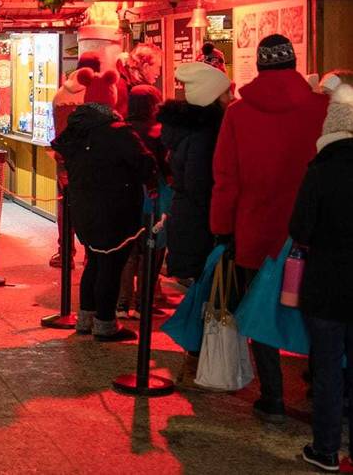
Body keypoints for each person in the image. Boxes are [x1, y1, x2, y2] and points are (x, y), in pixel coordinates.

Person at [210, 34, 328, 424]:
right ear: (293, 64)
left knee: (259, 311)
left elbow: (226, 178)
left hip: (255, 228)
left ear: (259, 66)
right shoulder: (322, 108)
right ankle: (320, 385)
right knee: (316, 309)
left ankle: (273, 395)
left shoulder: (238, 114)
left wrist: (222, 228)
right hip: (311, 232)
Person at [51, 68, 157, 342]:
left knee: (95, 261)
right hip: (115, 208)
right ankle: (105, 323)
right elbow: (144, 163)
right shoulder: (118, 132)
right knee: (110, 264)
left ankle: (85, 318)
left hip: (84, 208)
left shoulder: (77, 129)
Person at [291, 80, 353, 472]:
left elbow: (300, 229)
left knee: (328, 368)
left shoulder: (320, 171)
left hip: (327, 285)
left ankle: (327, 449)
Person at [158, 62, 232, 285]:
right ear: (214, 97)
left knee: (200, 288)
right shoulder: (206, 134)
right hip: (199, 222)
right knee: (205, 288)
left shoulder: (191, 130)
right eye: (227, 92)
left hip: (188, 217)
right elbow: (199, 182)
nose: (231, 97)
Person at [116, 84, 168, 319]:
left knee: (130, 249)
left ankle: (122, 303)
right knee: (152, 249)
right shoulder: (158, 131)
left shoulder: (123, 129)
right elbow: (166, 166)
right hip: (154, 194)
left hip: (128, 194)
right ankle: (142, 303)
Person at [49, 51, 103, 268]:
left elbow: (58, 128)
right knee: (92, 207)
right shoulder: (95, 93)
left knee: (65, 207)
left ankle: (65, 252)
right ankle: (91, 252)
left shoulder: (60, 94)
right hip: (92, 162)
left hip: (65, 160)